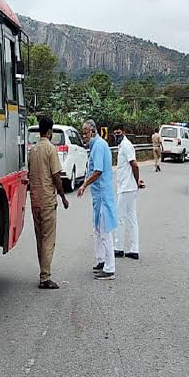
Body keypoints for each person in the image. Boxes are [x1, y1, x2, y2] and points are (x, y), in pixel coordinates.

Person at [28, 116, 69, 289]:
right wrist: (63, 196)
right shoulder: (50, 149)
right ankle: (45, 277)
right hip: (47, 200)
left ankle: (43, 271)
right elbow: (56, 176)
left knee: (39, 238)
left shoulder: (33, 150)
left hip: (35, 199)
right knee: (48, 239)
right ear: (50, 131)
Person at [77, 120, 118, 280]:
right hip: (98, 196)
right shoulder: (95, 146)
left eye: (86, 132)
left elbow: (98, 171)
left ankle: (110, 269)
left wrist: (84, 185)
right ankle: (101, 260)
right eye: (83, 132)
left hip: (103, 196)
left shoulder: (99, 146)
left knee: (105, 231)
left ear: (93, 132)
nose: (84, 136)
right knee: (98, 230)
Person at [112, 125, 145, 261]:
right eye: (115, 133)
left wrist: (137, 181)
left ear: (123, 132)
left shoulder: (125, 145)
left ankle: (118, 248)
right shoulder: (122, 145)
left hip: (126, 187)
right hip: (128, 187)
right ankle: (133, 249)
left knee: (119, 217)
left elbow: (135, 165)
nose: (117, 135)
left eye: (119, 133)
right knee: (131, 218)